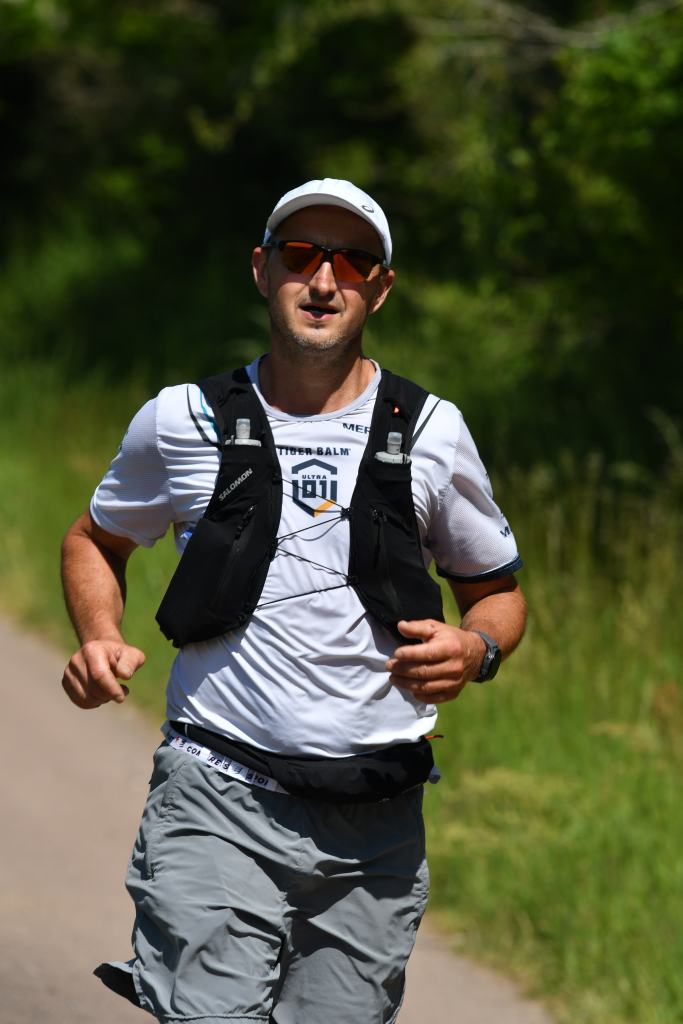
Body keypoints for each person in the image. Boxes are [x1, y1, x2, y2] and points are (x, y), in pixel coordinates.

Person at [61, 178, 526, 1024]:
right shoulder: (183, 419)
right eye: (301, 255)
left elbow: (494, 592)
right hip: (217, 787)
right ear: (261, 268)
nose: (322, 280)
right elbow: (96, 539)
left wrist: (476, 649)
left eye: (352, 262)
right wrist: (99, 635)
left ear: (380, 287)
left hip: (375, 819)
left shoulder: (430, 430)